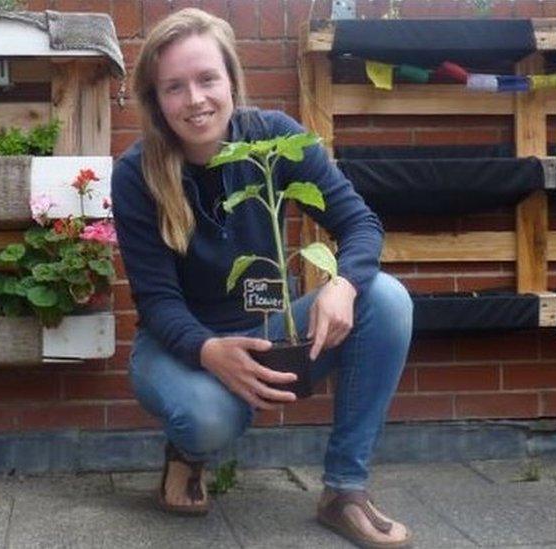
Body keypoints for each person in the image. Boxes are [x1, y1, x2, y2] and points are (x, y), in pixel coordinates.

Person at [110, 8, 414, 548]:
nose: (196, 99)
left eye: (207, 79)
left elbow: (359, 222)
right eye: (174, 87)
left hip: (272, 330)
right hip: (179, 345)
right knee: (207, 417)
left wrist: (342, 284)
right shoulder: (138, 173)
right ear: (156, 99)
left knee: (385, 299)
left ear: (231, 79)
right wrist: (209, 351)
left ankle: (344, 489)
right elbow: (156, 301)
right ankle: (188, 453)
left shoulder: (275, 142)